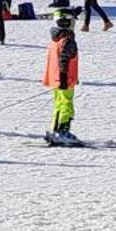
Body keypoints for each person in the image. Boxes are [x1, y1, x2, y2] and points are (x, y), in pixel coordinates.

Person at [45, 8, 82, 146]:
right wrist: (64, 78)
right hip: (65, 79)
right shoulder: (68, 41)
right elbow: (64, 60)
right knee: (67, 105)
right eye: (72, 21)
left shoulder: (57, 37)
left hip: (57, 79)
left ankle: (55, 129)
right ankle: (63, 131)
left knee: (59, 104)